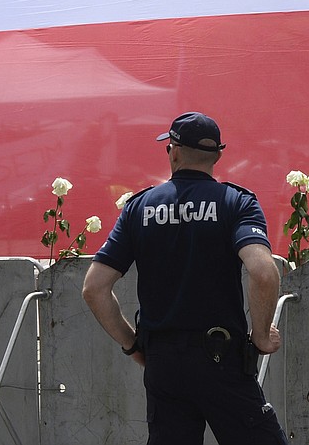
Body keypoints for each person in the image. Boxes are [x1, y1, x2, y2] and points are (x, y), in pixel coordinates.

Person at [82, 112, 288, 445]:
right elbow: (263, 272)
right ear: (218, 155)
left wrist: (134, 345)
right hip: (222, 359)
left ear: (174, 151)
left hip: (163, 366)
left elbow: (94, 288)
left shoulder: (139, 208)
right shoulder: (236, 203)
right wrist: (261, 336)